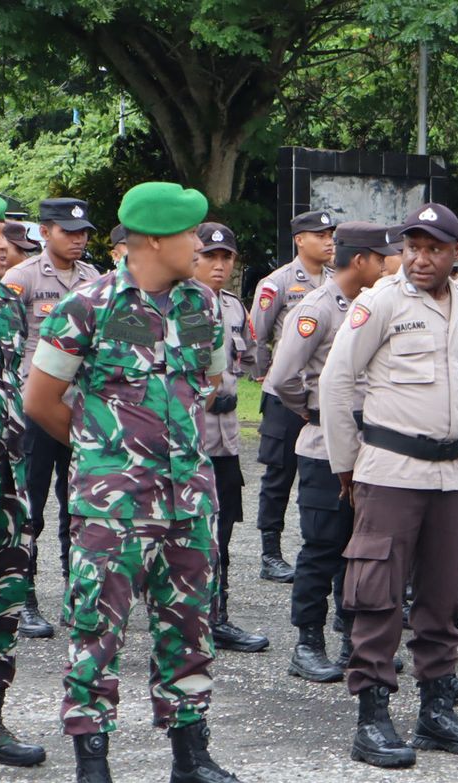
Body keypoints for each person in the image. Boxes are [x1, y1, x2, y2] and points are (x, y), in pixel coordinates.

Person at [26, 181, 261, 783]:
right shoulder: (85, 307)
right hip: (114, 505)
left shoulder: (201, 305)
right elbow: (40, 400)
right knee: (96, 632)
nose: (200, 247)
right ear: (154, 240)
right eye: (190, 235)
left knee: (190, 629)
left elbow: (210, 381)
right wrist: (103, 453)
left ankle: (191, 763)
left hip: (189, 500)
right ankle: (93, 773)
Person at [320, 201, 458, 768]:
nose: (421, 259)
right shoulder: (380, 302)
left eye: (434, 249)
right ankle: (371, 718)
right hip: (391, 469)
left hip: (451, 471)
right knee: (378, 593)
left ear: (456, 254)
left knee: (445, 593)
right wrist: (346, 465)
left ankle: (436, 710)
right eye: (413, 247)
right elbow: (336, 381)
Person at [266, 222, 396, 683]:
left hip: (371, 444)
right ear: (360, 260)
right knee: (323, 546)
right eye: (380, 259)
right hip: (324, 445)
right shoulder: (317, 307)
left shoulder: (371, 304)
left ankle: (352, 640)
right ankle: (308, 643)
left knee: (362, 547)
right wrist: (313, 410)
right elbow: (283, 377)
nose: (387, 266)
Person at [1, 197, 100, 639]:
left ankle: (76, 595)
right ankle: (24, 599)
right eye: (68, 232)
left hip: (81, 408)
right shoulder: (21, 278)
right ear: (45, 232)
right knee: (31, 507)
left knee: (79, 505)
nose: (78, 240)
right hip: (36, 409)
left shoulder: (94, 279)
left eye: (83, 233)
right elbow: (4, 343)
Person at [0, 195, 45, 769]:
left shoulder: (7, 302)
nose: (3, 245)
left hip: (4, 481)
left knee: (1, 601)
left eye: (4, 233)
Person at [191, 223, 269, 652]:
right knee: (185, 532)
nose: (219, 265)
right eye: (210, 257)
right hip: (190, 438)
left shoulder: (235, 307)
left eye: (226, 257)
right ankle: (185, 617)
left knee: (223, 529)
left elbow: (249, 359)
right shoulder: (177, 303)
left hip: (225, 439)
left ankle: (216, 616)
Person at [250, 210, 335, 584]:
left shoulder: (336, 281)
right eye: (320, 235)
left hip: (320, 396)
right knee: (279, 474)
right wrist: (264, 374)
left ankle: (320, 548)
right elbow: (258, 334)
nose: (329, 241)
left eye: (331, 235)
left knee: (323, 473)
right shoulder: (277, 282)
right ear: (300, 239)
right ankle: (270, 553)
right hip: (284, 395)